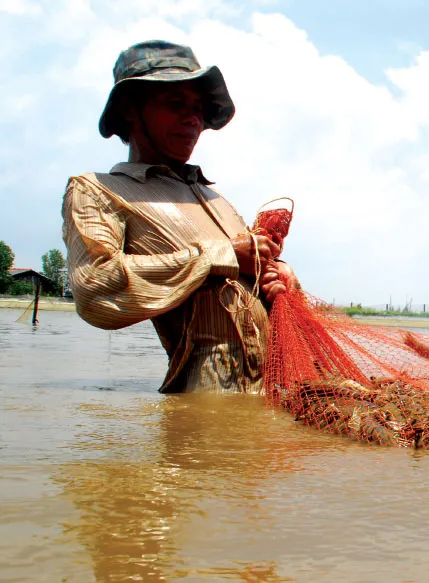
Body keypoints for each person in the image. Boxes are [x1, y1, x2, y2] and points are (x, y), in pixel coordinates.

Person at [62, 40, 296, 393]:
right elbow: (95, 289)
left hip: (278, 388)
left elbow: (252, 284)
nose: (192, 118)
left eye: (198, 109)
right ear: (130, 110)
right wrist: (221, 256)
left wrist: (282, 280)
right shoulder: (100, 190)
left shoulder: (216, 199)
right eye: (175, 104)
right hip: (210, 399)